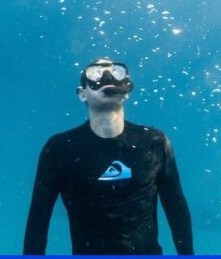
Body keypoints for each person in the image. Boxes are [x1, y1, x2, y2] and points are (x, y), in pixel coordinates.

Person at [23, 58, 194, 255]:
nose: (107, 78)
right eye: (96, 73)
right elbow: (38, 219)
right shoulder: (59, 149)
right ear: (81, 94)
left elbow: (176, 209)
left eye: (117, 72)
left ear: (126, 90)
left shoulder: (154, 142)